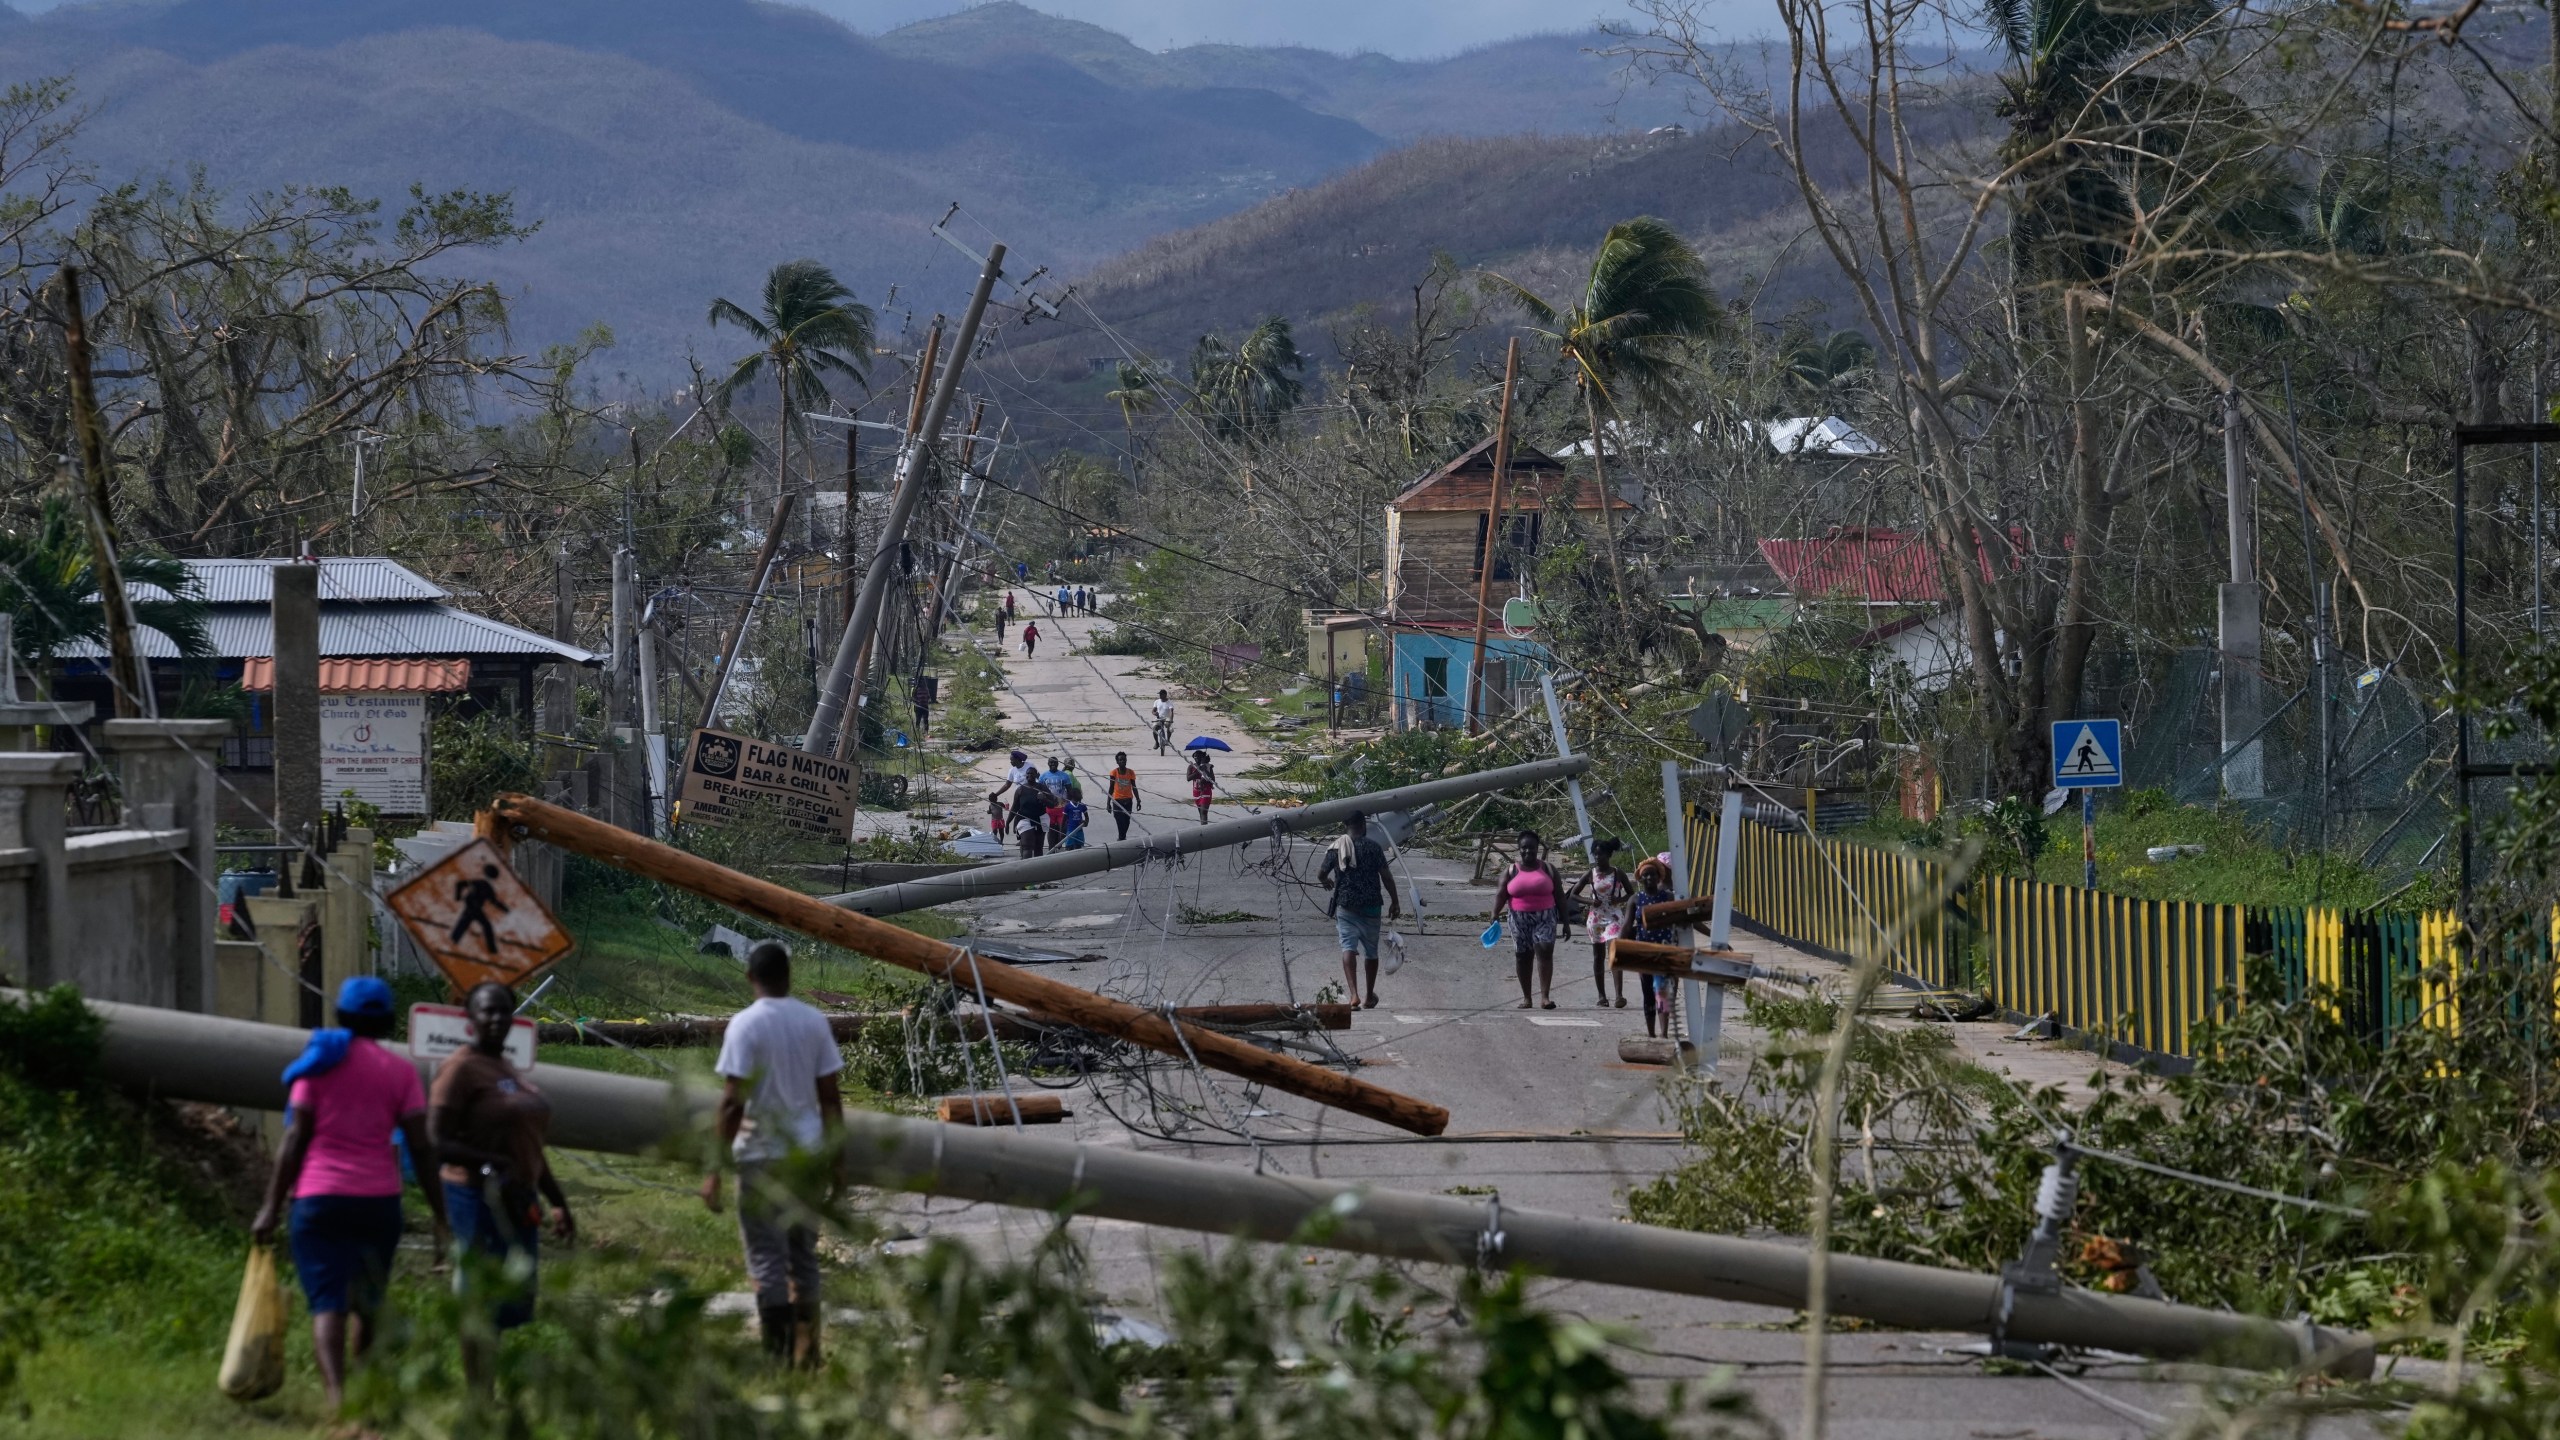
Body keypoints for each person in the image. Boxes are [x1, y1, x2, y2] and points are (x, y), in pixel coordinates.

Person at [251, 976, 449, 1414]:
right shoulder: (400, 1073)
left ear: (341, 1017)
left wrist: (269, 1207)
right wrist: (441, 1214)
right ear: (386, 1023)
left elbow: (294, 1140)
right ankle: (361, 1398)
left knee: (328, 1305)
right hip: (378, 1202)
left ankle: (340, 1404)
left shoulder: (317, 1064)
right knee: (367, 1304)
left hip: (318, 1200)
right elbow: (421, 1146)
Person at [702, 941, 846, 1367]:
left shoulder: (745, 1026)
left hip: (761, 1157)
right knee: (803, 1256)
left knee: (767, 1259)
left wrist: (714, 1169)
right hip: (806, 1157)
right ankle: (808, 1352)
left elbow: (732, 1103)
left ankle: (778, 1357)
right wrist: (837, 1162)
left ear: (751, 978)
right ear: (789, 977)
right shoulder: (814, 1021)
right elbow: (831, 1100)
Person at [430, 982, 572, 1373]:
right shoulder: (460, 1068)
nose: (494, 1019)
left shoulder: (506, 1067)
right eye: (486, 1011)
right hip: (475, 1196)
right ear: (469, 1018)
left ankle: (488, 1386)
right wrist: (489, 1163)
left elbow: (529, 1147)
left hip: (517, 1195)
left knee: (508, 1299)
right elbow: (436, 1140)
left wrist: (558, 1201)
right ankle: (479, 1398)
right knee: (479, 1295)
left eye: (502, 1011)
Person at [1317, 811, 1402, 1009]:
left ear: (1346, 827)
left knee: (1348, 947)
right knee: (1371, 952)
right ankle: (1369, 996)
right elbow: (1386, 877)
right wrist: (1395, 901)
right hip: (1372, 906)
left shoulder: (1336, 848)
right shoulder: (1374, 847)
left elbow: (1321, 874)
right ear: (1363, 825)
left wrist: (1326, 881)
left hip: (1346, 906)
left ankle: (1353, 995)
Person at [1491, 830, 1563, 1009]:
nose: (1528, 852)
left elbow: (1560, 896)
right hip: (1518, 918)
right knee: (1523, 956)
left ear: (1537, 848)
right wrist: (1494, 914)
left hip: (1545, 916)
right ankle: (1527, 998)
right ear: (1519, 849)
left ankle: (1545, 997)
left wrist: (1566, 922)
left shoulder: (1548, 869)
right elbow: (1501, 895)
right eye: (1524, 848)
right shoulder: (1510, 871)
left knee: (1545, 950)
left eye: (1531, 848)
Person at [1568, 839, 1636, 1008]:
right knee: (1598, 957)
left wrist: (1619, 899)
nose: (1598, 857)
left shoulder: (1618, 873)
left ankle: (1619, 995)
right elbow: (1573, 894)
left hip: (1614, 917)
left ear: (1609, 855)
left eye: (1601, 854)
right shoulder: (1590, 874)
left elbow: (1631, 894)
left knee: (1614, 953)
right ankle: (1601, 996)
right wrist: (1589, 901)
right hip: (1596, 919)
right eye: (1595, 854)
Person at [1628, 857, 1679, 1039]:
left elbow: (1685, 919)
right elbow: (1627, 927)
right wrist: (1616, 950)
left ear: (1659, 877)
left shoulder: (1668, 898)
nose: (1649, 878)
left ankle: (1664, 1034)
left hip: (1664, 952)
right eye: (1645, 875)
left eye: (1652, 874)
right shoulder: (1635, 900)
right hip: (1643, 953)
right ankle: (1651, 1034)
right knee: (1648, 992)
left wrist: (1711, 935)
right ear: (1641, 879)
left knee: (1662, 991)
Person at [1008, 770, 1053, 857]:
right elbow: (1015, 807)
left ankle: (1038, 869)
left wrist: (1044, 799)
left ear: (1036, 775)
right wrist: (1008, 822)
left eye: (1032, 773)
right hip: (1024, 820)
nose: (1029, 775)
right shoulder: (1020, 789)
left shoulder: (1042, 788)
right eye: (1027, 773)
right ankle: (1026, 867)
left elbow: (1053, 804)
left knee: (1038, 847)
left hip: (1041, 819)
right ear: (1026, 776)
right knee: (1027, 847)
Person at [1106, 752, 1141, 840]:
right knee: (1120, 821)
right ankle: (1121, 838)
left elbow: (1134, 787)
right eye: (1120, 760)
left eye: (1124, 760)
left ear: (1126, 761)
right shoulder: (1114, 773)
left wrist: (1138, 800)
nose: (1122, 761)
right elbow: (1111, 788)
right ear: (1117, 762)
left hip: (1128, 801)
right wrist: (1108, 803)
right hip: (1117, 801)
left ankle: (1122, 837)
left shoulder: (1130, 772)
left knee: (1127, 822)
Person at [1186, 753, 1214, 823]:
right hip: (1196, 792)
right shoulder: (1191, 766)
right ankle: (1203, 827)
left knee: (1204, 812)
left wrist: (1205, 770)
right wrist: (1198, 771)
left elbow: (1213, 779)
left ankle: (1204, 830)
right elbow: (1188, 778)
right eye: (1195, 757)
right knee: (1201, 813)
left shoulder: (1208, 766)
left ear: (1202, 757)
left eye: (1199, 757)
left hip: (1206, 792)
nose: (1197, 759)